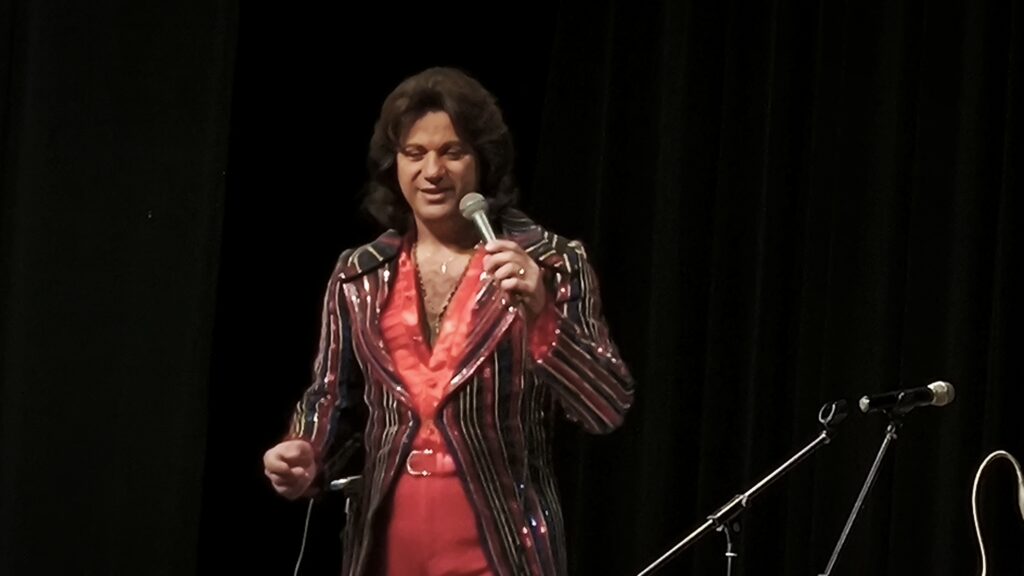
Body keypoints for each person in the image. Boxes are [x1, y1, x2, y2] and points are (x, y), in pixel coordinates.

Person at [263, 66, 635, 576]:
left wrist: (543, 314)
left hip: (503, 555)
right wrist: (305, 449)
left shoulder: (549, 264)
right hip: (386, 555)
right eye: (415, 153)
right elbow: (331, 397)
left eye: (452, 152)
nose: (432, 171)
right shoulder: (359, 276)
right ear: (394, 164)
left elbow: (606, 408)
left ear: (482, 162)